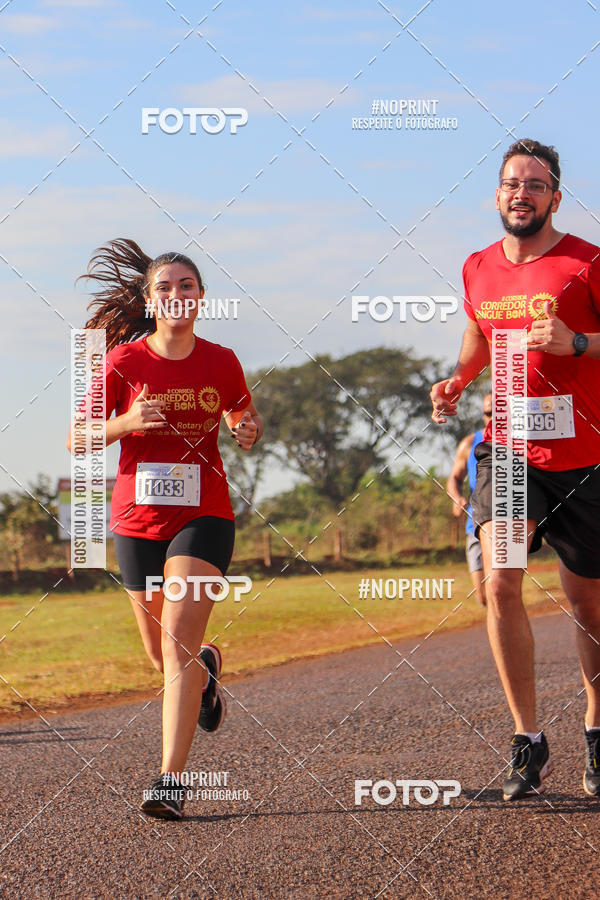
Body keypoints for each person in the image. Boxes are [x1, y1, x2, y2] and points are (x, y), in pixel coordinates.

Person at [67, 239, 262, 819]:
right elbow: (77, 438)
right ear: (150, 302)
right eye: (165, 288)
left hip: (204, 515)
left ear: (201, 297)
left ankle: (171, 782)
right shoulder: (124, 363)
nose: (176, 295)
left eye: (186, 285)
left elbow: (241, 417)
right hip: (136, 521)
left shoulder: (222, 359)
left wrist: (246, 428)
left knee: (175, 638)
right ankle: (204, 669)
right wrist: (125, 422)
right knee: (162, 655)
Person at [430, 139, 600, 801]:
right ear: (497, 195)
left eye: (534, 184)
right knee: (500, 582)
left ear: (554, 196)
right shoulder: (477, 268)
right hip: (508, 449)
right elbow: (477, 331)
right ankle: (527, 741)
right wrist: (459, 377)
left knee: (588, 604)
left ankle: (595, 728)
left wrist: (576, 343)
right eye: (510, 183)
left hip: (586, 458)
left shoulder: (586, 263)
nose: (520, 194)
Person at [446, 393, 492, 607]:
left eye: (498, 413)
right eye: (488, 413)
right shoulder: (469, 443)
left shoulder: (519, 441)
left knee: (501, 590)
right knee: (483, 596)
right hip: (475, 523)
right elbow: (454, 478)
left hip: (509, 523)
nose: (493, 418)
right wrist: (457, 498)